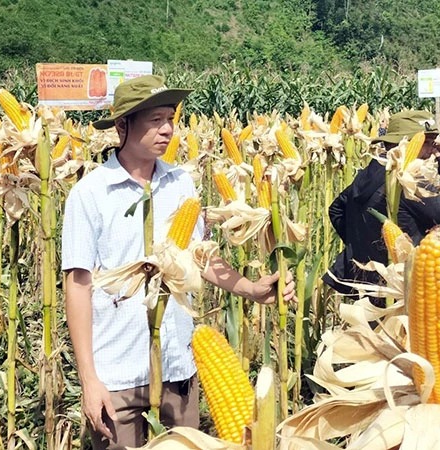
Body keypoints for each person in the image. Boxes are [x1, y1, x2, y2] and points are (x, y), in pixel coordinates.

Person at [61, 75, 296, 450]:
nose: (167, 130)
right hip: (117, 374)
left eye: (170, 119)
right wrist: (89, 379)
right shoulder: (89, 195)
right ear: (122, 126)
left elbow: (199, 258)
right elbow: (77, 286)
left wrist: (251, 289)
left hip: (177, 370)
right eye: (155, 120)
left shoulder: (181, 184)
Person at [322, 109, 440, 297]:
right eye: (427, 143)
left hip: (369, 283)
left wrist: (359, 247)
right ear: (403, 144)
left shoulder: (371, 172)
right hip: (403, 287)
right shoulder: (408, 183)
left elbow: (336, 209)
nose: (432, 151)